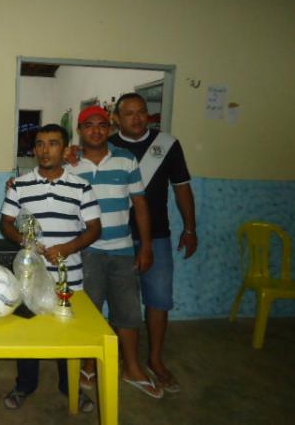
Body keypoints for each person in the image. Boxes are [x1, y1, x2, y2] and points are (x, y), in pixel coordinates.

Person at [0, 124, 102, 412]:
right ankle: (25, 386)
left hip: (69, 276)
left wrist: (67, 249)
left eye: (53, 143)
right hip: (30, 275)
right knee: (28, 333)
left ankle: (70, 389)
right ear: (34, 149)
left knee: (67, 334)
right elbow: (6, 223)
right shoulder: (19, 185)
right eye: (40, 144)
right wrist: (24, 240)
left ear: (65, 149)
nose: (45, 150)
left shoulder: (81, 186)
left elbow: (95, 229)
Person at [69, 106, 163, 399]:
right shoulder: (70, 163)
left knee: (128, 311)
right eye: (88, 125)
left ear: (109, 128)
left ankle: (132, 368)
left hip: (122, 249)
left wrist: (145, 246)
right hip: (86, 251)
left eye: (101, 125)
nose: (95, 130)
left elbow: (141, 206)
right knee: (89, 311)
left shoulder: (126, 160)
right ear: (80, 131)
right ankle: (88, 365)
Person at [110, 93, 198, 393]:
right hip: (115, 237)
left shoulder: (167, 145)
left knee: (159, 300)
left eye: (142, 112)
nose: (137, 118)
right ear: (117, 118)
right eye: (129, 113)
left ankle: (156, 359)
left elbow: (182, 189)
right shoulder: (106, 145)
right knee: (123, 302)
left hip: (157, 236)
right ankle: (126, 359)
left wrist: (191, 228)